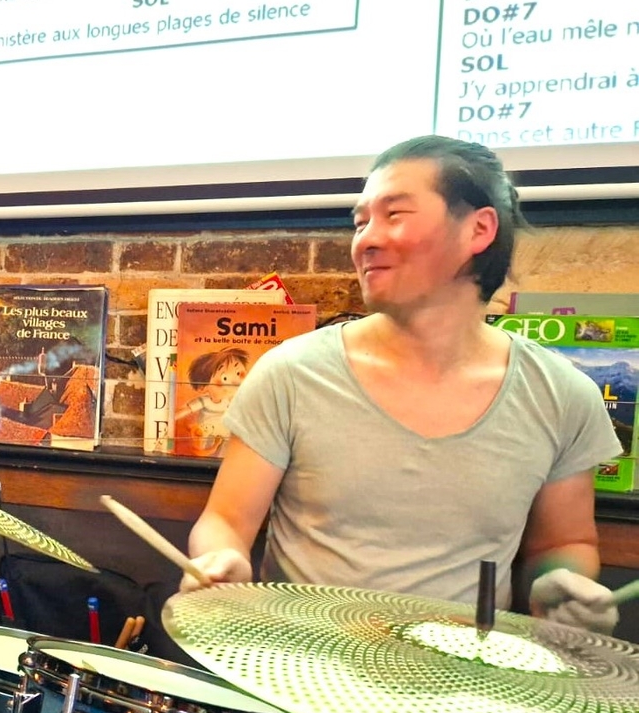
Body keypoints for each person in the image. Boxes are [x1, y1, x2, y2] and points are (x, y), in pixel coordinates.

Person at [181, 135, 624, 634]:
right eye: (361, 220)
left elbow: (561, 546)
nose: (366, 239)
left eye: (394, 215)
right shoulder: (292, 372)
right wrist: (223, 559)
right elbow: (226, 520)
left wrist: (559, 585)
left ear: (479, 229)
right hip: (300, 680)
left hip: (463, 693)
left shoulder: (562, 395)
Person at [173, 347, 249, 457]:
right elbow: (186, 410)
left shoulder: (228, 401)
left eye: (238, 373)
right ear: (203, 387)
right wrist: (168, 419)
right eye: (225, 378)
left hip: (225, 435)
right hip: (208, 436)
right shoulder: (205, 401)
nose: (235, 381)